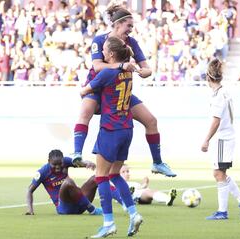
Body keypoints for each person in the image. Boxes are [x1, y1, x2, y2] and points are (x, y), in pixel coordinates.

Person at [73, 4, 176, 177]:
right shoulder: (99, 40)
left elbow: (147, 68)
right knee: (86, 111)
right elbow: (98, 66)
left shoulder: (132, 42)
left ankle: (157, 163)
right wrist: (122, 65)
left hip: (119, 91)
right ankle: (76, 154)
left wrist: (143, 72)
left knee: (151, 121)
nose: (131, 29)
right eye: (128, 25)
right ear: (118, 24)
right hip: (98, 86)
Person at [80, 36, 143, 238]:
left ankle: (108, 223)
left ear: (112, 54)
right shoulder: (127, 71)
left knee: (101, 176)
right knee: (114, 174)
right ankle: (133, 213)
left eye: (105, 50)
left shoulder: (107, 72)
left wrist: (86, 91)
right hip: (127, 127)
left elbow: (85, 91)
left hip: (110, 128)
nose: (102, 53)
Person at [201, 58, 240, 220]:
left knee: (218, 173)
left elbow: (216, 120)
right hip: (226, 137)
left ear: (208, 78)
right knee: (219, 173)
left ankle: (223, 211)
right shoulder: (224, 92)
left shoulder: (218, 96)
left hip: (223, 139)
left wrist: (206, 140)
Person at [25, 149, 102, 216]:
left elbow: (78, 162)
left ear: (62, 160)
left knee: (96, 178)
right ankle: (92, 210)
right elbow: (29, 190)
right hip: (64, 209)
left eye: (60, 164)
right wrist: (30, 210)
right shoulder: (43, 172)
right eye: (54, 164)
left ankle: (111, 200)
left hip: (80, 204)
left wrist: (87, 163)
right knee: (68, 182)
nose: (58, 167)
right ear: (49, 161)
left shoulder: (65, 161)